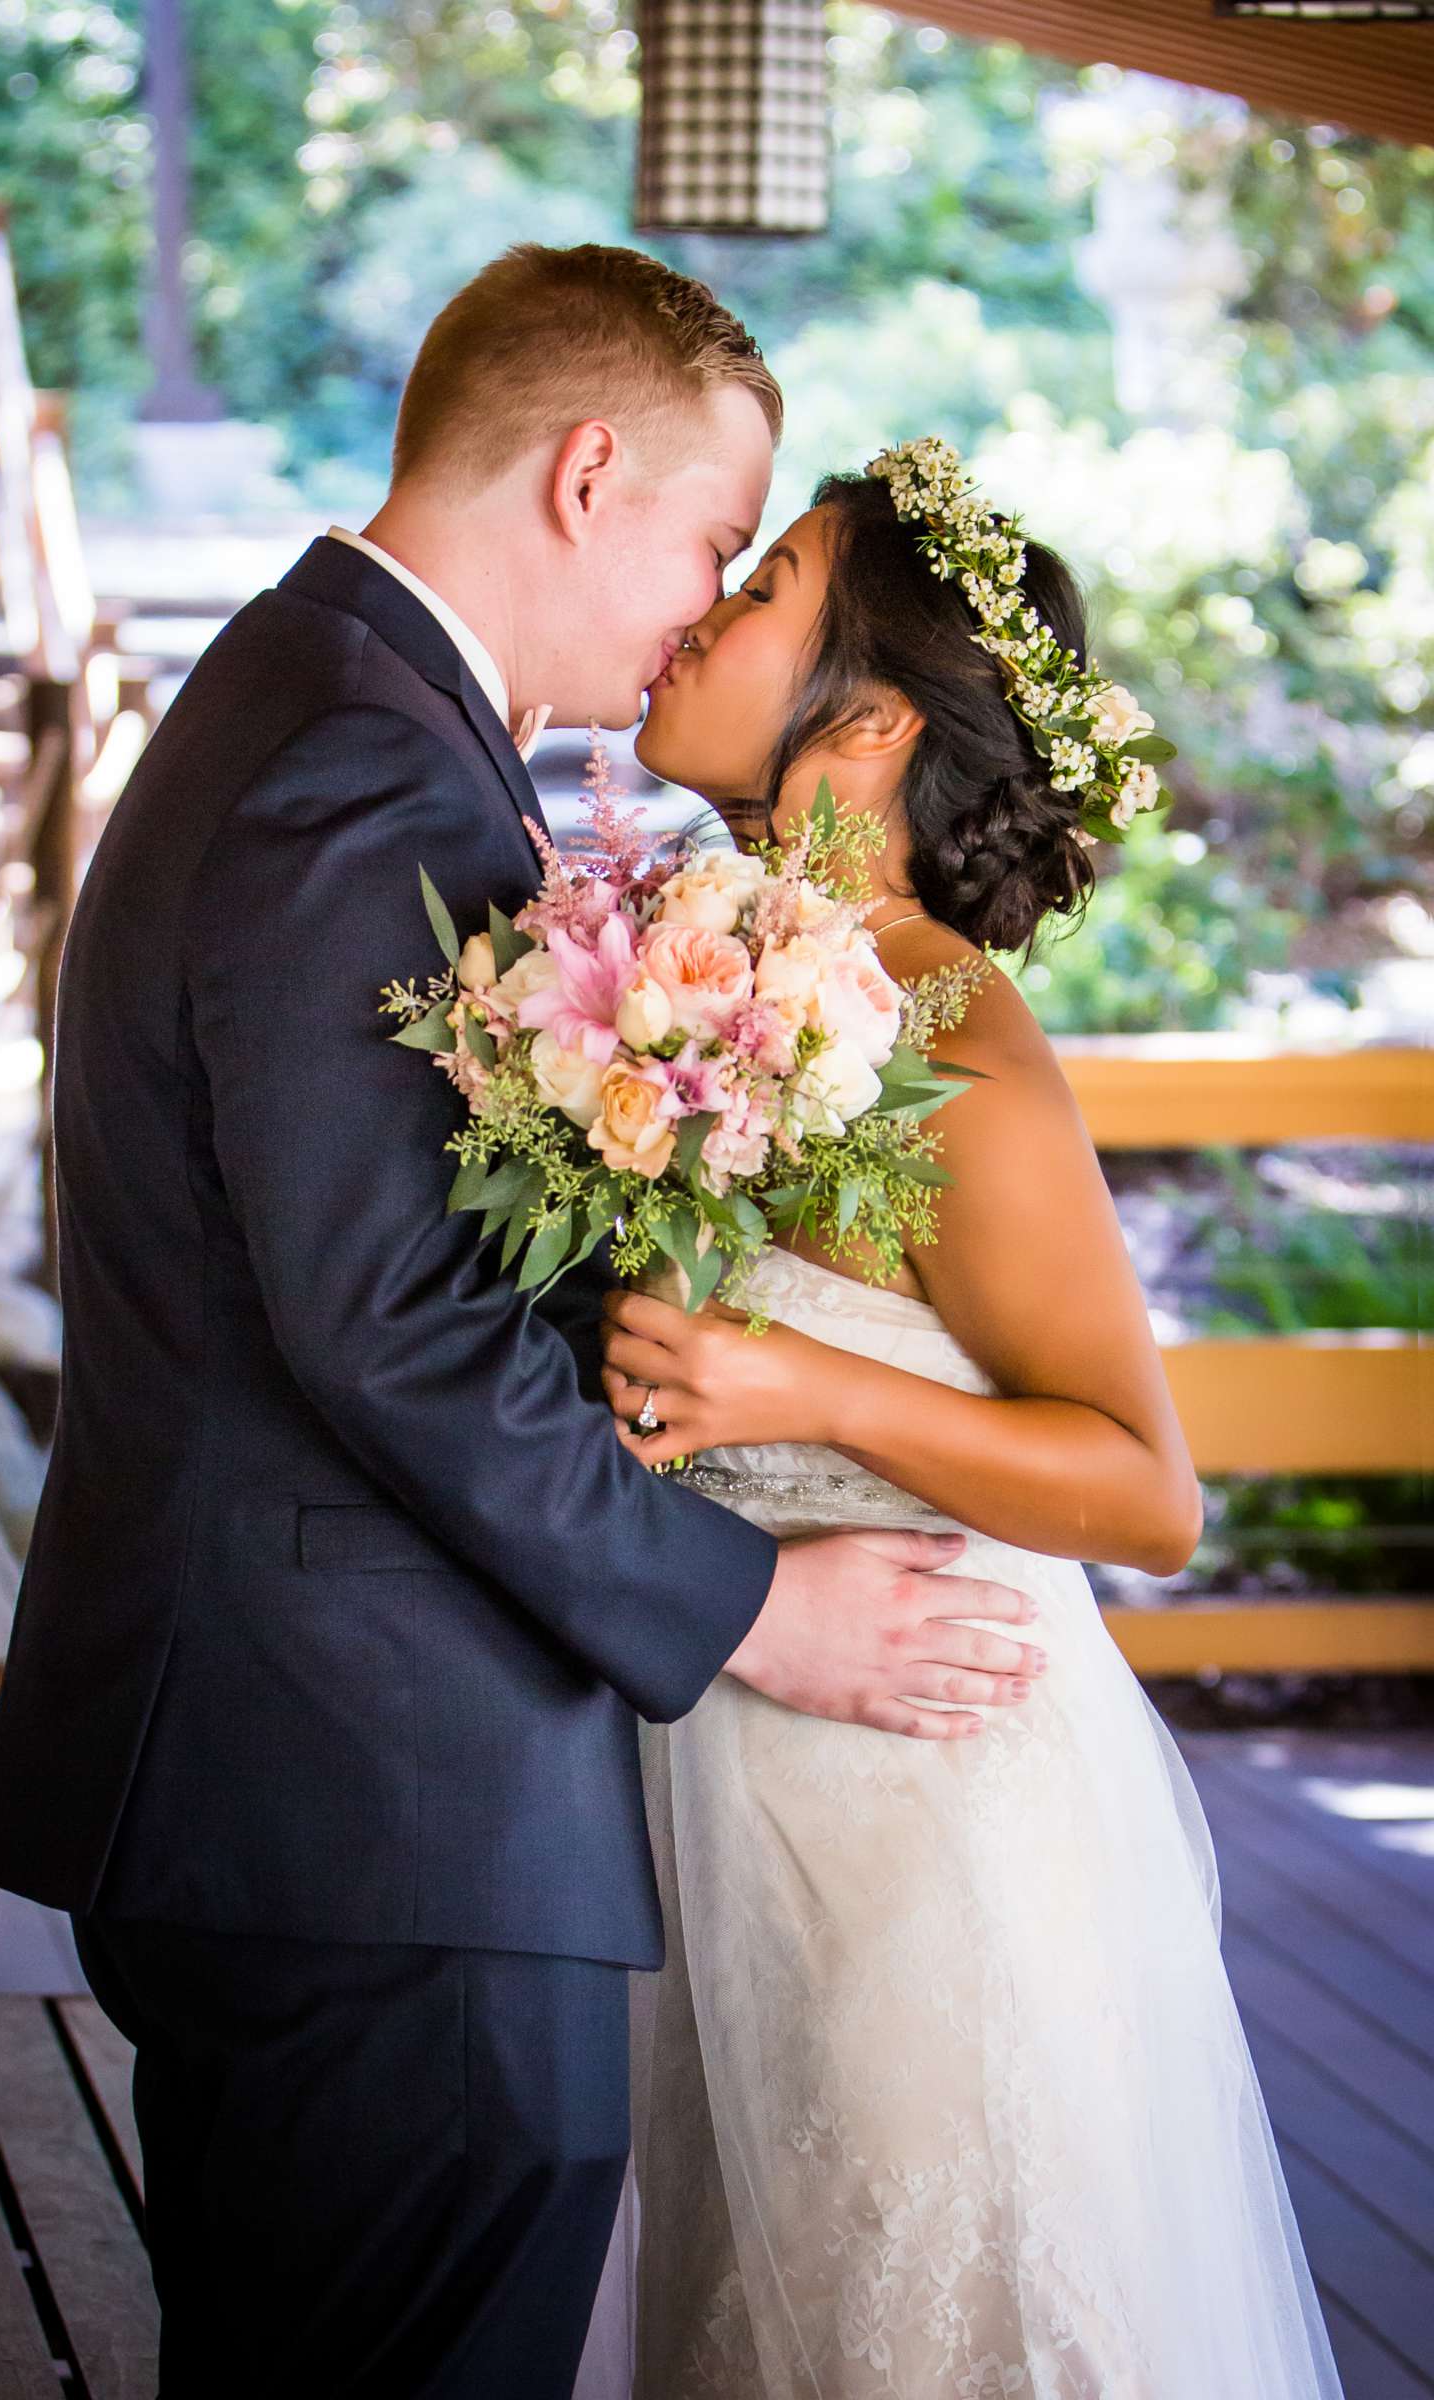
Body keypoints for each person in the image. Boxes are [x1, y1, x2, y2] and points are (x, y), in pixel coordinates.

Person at [0, 253, 1047, 2399]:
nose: (705, 601)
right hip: (373, 1799)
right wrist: (753, 1610)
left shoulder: (326, 708)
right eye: (712, 542)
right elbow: (398, 1327)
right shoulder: (360, 766)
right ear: (583, 475)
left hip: (321, 1778)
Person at [594, 460, 1344, 2398]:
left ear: (864, 720)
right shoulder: (700, 983)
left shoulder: (954, 1046)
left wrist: (792, 1385)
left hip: (935, 1831)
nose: (700, 610)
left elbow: (1144, 1490)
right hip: (732, 1807)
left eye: (754, 587)